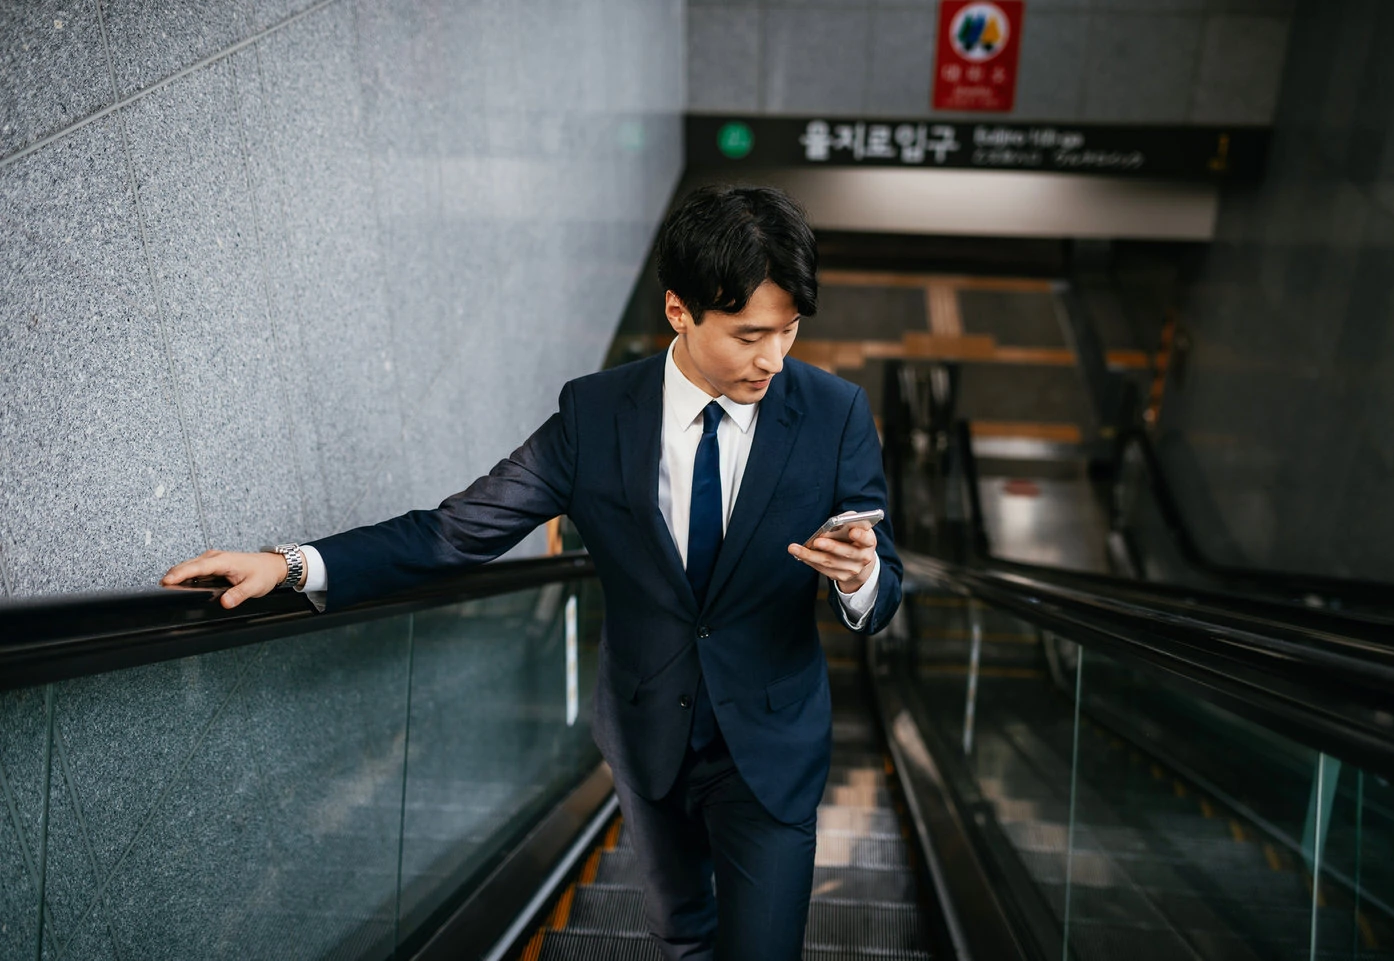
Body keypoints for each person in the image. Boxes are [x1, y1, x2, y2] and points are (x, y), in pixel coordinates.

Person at [162, 184, 903, 960]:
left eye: (787, 332)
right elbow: (456, 530)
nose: (773, 359)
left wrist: (857, 580)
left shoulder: (833, 412)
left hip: (771, 748)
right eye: (750, 334)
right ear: (679, 310)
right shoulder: (595, 414)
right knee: (684, 937)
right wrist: (291, 563)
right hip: (648, 733)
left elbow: (883, 583)